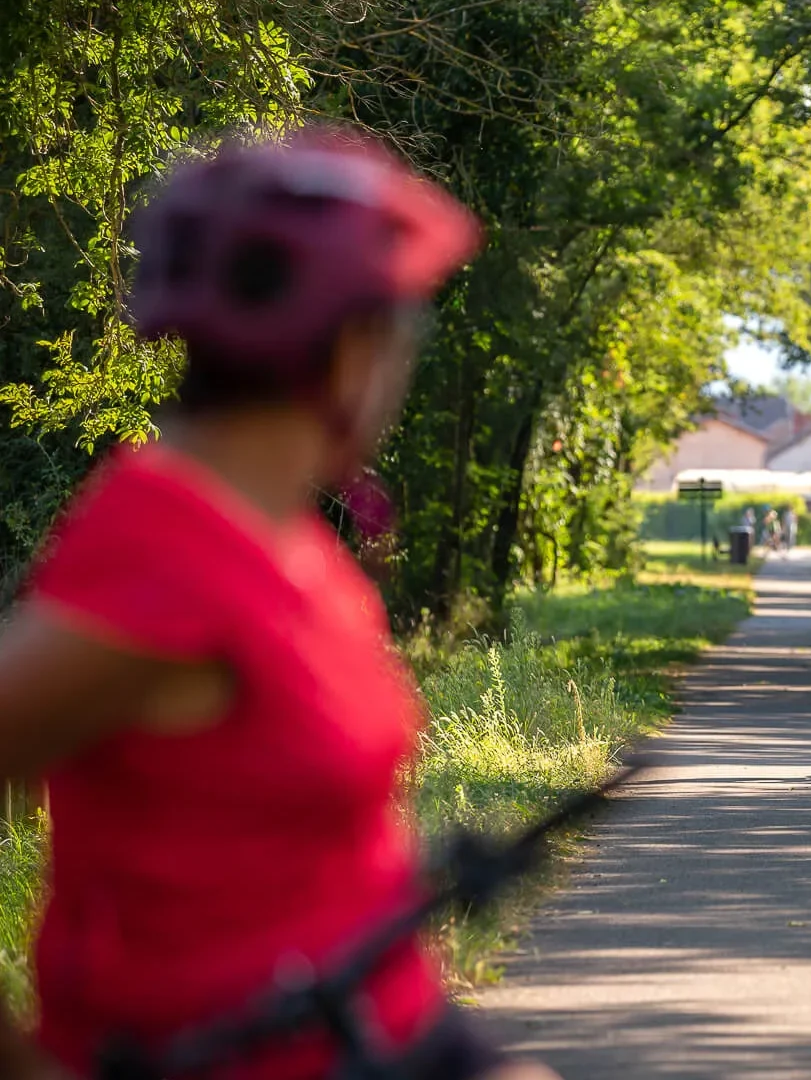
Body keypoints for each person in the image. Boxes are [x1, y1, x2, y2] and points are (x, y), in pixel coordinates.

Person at [0, 129, 553, 1080]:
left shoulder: (284, 534)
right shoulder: (165, 562)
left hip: (391, 1031)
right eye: (402, 333)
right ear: (350, 349)